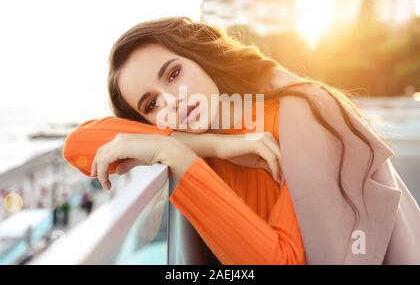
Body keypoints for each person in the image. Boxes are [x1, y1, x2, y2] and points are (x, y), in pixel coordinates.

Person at [63, 16, 420, 265]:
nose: (171, 100)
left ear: (200, 59)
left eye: (174, 73)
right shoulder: (202, 142)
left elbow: (281, 260)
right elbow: (77, 145)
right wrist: (214, 147)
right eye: (152, 104)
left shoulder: (292, 122)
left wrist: (177, 155)